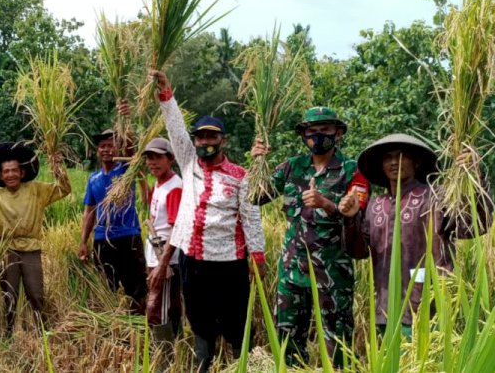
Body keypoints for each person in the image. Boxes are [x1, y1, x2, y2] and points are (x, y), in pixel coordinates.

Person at [148, 69, 266, 372]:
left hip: (229, 261)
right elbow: (175, 128)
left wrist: (258, 257)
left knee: (235, 317)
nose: (205, 142)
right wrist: (166, 94)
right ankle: (204, 363)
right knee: (199, 317)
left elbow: (251, 217)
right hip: (194, 261)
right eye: (200, 136)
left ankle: (242, 364)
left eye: (211, 136)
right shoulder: (189, 164)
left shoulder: (240, 176)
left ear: (222, 140)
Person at [340, 134, 492, 339]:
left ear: (417, 161)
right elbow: (359, 251)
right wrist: (351, 220)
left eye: (402, 156)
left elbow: (473, 226)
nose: (394, 162)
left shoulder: (437, 197)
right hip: (386, 310)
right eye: (388, 157)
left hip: (429, 309)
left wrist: (475, 178)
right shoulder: (376, 206)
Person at [251, 106, 369, 367]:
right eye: (311, 131)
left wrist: (327, 203)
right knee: (287, 341)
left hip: (332, 273)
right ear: (303, 135)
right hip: (292, 271)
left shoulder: (353, 170)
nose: (317, 136)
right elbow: (255, 198)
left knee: (337, 344)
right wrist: (257, 162)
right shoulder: (291, 167)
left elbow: (358, 214)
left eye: (325, 130)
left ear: (337, 133)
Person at [0, 142, 71, 336]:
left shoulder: (36, 190)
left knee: (36, 293)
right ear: (0, 176)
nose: (10, 175)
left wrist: (58, 167)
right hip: (7, 250)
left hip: (31, 249)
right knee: (9, 294)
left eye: (14, 170)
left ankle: (41, 331)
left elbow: (64, 189)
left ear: (22, 173)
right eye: (6, 172)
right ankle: (9, 332)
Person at [79, 129, 148, 315]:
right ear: (97, 151)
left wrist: (125, 122)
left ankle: (138, 329)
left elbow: (133, 154)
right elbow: (89, 212)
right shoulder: (93, 179)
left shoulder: (126, 171)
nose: (107, 150)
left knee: (136, 289)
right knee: (105, 288)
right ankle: (111, 327)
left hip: (129, 237)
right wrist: (84, 242)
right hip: (102, 240)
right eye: (103, 146)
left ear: (117, 149)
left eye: (111, 146)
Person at [140, 138, 183, 344]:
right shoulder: (159, 184)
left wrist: (162, 264)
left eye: (158, 157)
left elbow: (177, 228)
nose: (152, 162)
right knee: (162, 306)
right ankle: (173, 349)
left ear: (171, 159)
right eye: (149, 158)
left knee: (158, 308)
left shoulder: (175, 187)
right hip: (155, 255)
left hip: (166, 258)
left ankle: (165, 357)